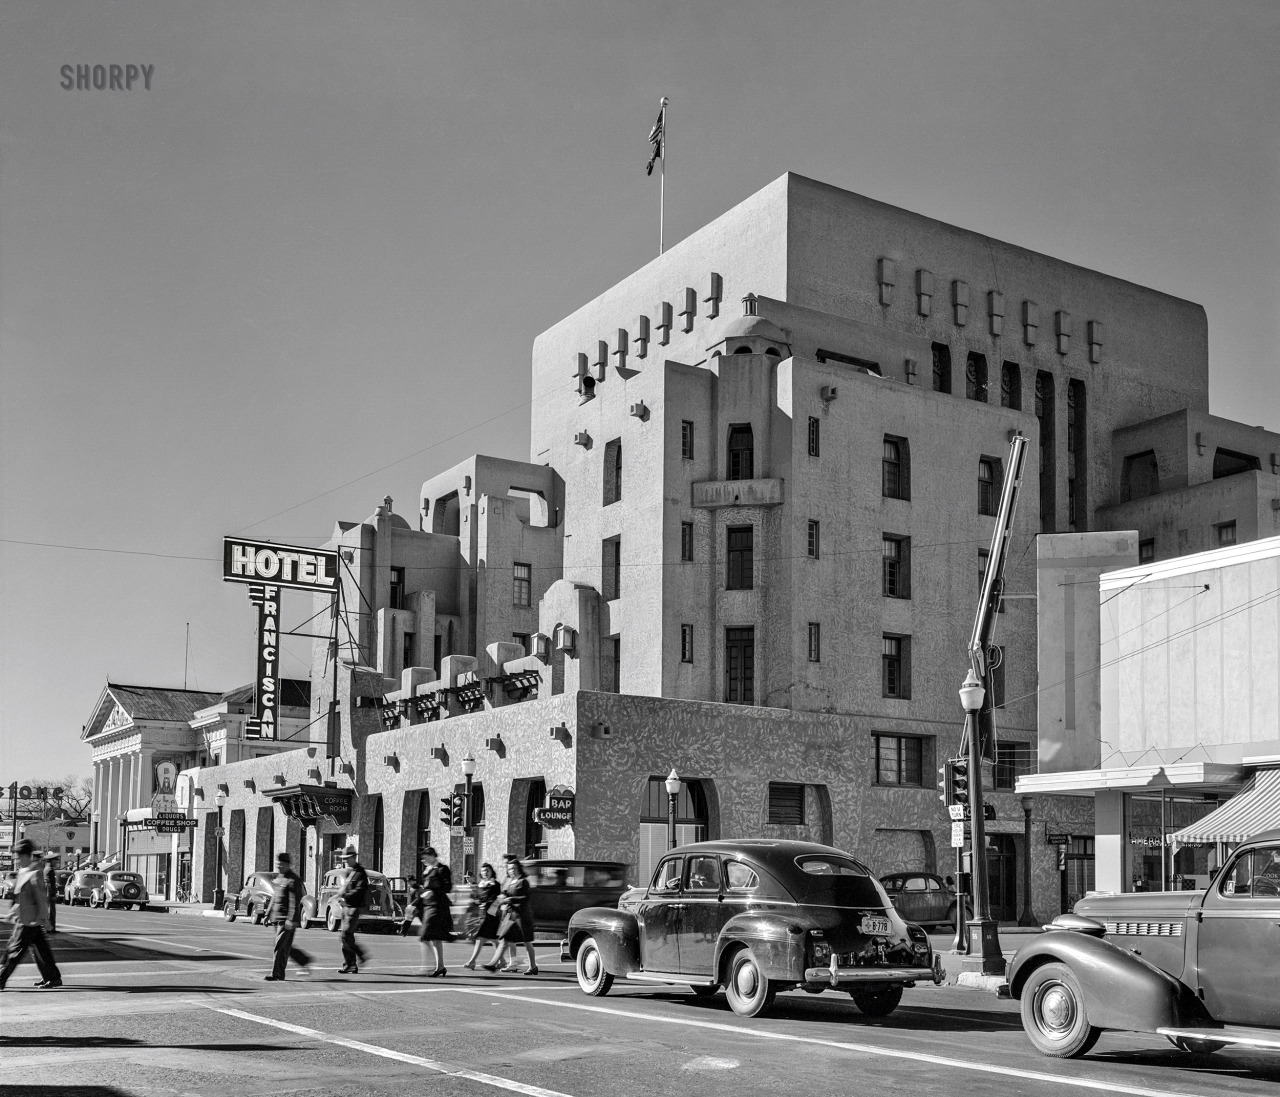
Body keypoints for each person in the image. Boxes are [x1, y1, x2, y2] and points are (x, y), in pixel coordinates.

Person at [1, 839, 62, 990]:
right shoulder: (23, 871)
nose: (16, 859)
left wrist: (43, 919)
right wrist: (11, 913)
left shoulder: (36, 872)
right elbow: (22, 898)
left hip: (30, 920)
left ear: (27, 856)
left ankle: (1, 978)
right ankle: (52, 978)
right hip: (25, 918)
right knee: (41, 949)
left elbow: (41, 899)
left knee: (15, 950)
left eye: (18, 856)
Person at [482, 855, 538, 975]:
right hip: (509, 914)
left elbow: (526, 898)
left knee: (527, 942)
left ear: (519, 869)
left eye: (513, 868)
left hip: (521, 915)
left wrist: (511, 899)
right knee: (504, 940)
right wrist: (494, 907)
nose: (511, 870)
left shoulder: (523, 882)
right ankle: (494, 964)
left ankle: (533, 966)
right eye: (509, 868)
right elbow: (502, 895)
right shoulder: (508, 882)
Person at [264, 852, 311, 981]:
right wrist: (268, 914)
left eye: (281, 864)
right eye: (277, 864)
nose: (278, 866)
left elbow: (294, 901)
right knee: (284, 947)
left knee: (279, 946)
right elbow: (274, 897)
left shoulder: (292, 879)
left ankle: (276, 974)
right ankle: (302, 961)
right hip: (277, 917)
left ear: (287, 865)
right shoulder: (280, 878)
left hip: (286, 919)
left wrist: (290, 919)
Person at [333, 844, 370, 974]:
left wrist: (346, 896)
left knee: (346, 934)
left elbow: (360, 890)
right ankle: (350, 965)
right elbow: (346, 888)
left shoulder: (361, 873)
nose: (345, 861)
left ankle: (360, 955)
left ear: (354, 857)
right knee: (346, 937)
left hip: (354, 907)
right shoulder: (349, 872)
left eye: (347, 858)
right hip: (346, 907)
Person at [417, 847, 453, 977]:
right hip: (428, 907)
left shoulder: (442, 869)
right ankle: (440, 967)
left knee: (425, 935)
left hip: (438, 907)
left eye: (425, 857)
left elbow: (448, 887)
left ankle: (427, 965)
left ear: (432, 856)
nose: (423, 860)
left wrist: (433, 891)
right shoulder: (427, 871)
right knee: (435, 937)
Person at [463, 862, 501, 970]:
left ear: (491, 872)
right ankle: (502, 961)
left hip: (491, 914)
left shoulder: (495, 884)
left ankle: (472, 961)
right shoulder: (481, 884)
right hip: (482, 913)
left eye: (488, 870)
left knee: (480, 937)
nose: (485, 872)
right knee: (493, 939)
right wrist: (475, 901)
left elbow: (496, 899)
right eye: (483, 871)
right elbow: (480, 899)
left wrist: (486, 903)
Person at [41, 853, 59, 935]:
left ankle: (50, 927)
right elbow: (48, 883)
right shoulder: (49, 869)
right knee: (50, 911)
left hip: (48, 892)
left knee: (50, 910)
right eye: (55, 860)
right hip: (49, 893)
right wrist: (52, 894)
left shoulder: (47, 869)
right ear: (51, 861)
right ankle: (49, 927)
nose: (56, 862)